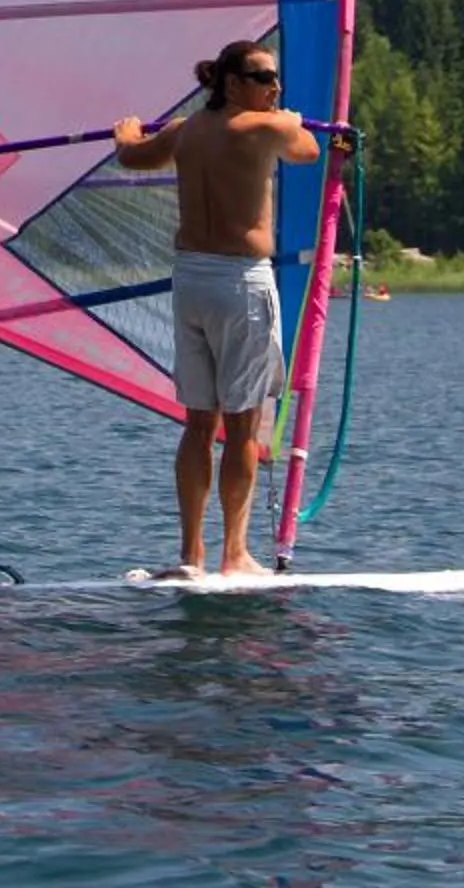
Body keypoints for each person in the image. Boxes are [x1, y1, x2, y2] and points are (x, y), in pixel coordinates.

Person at [114, 39, 323, 578]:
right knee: (243, 424)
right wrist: (288, 116)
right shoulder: (264, 127)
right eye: (263, 77)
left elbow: (132, 156)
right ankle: (234, 555)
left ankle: (191, 556)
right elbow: (309, 150)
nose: (275, 88)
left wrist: (128, 132)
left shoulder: (184, 132)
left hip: (189, 283)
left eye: (277, 79)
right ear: (231, 83)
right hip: (238, 285)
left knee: (198, 424)